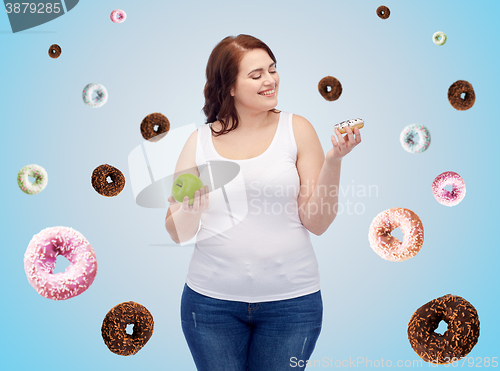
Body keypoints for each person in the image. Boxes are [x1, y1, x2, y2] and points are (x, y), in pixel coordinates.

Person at [165, 34, 361, 371]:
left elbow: (317, 222)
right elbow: (178, 232)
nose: (270, 80)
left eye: (272, 70)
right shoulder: (198, 142)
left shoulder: (297, 129)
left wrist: (334, 161)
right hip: (210, 306)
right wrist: (189, 209)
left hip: (292, 306)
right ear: (228, 87)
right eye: (256, 75)